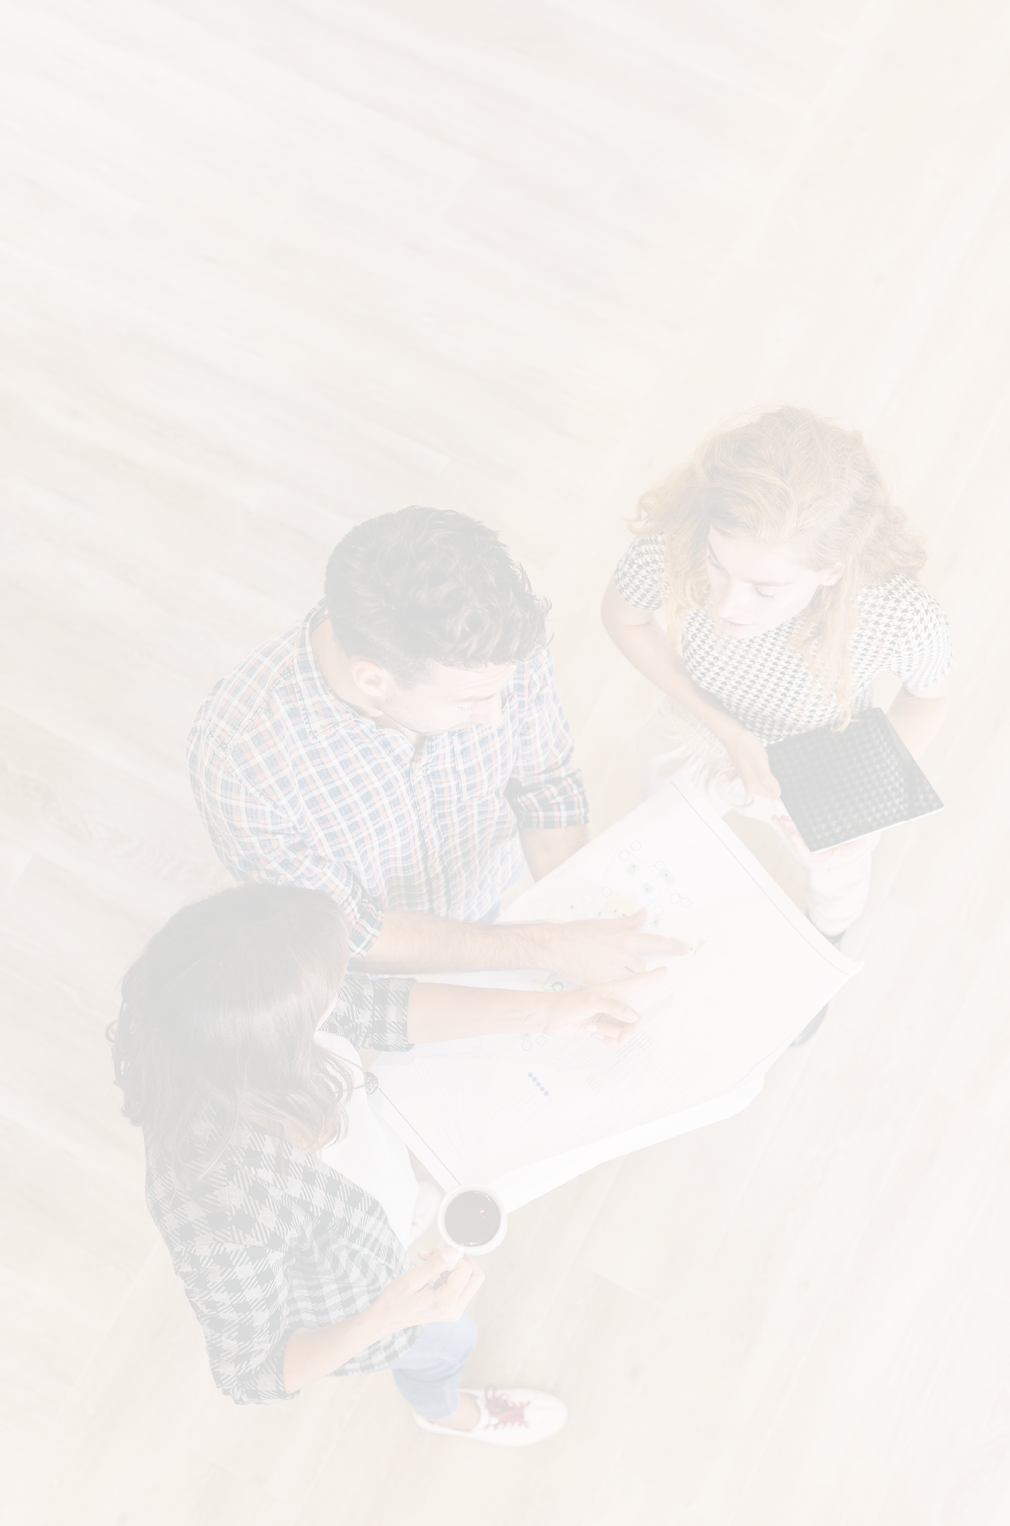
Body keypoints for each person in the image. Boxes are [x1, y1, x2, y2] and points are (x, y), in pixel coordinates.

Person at [108, 882, 665, 1443]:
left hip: (370, 1206)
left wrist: (547, 1012)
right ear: (275, 1039)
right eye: (331, 989)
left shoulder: (254, 1008)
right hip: (357, 1299)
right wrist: (389, 1317)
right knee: (450, 1342)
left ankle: (397, 1221)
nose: (343, 989)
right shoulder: (215, 1205)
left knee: (401, 1206)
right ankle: (444, 1410)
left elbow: (380, 1010)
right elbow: (249, 1373)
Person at [189, 505, 688, 986]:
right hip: (371, 963)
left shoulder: (499, 647)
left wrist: (575, 920)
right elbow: (349, 932)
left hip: (484, 895)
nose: (495, 716)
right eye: (471, 702)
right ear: (373, 679)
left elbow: (544, 784)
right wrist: (547, 945)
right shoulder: (242, 762)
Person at [601, 405, 954, 1043]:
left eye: (766, 589)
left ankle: (822, 951)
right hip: (696, 728)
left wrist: (855, 793)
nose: (728, 605)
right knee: (662, 827)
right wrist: (726, 730)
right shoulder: (681, 541)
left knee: (838, 871)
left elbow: (926, 700)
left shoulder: (902, 618)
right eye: (717, 566)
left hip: (824, 755)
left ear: (833, 571)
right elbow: (624, 617)